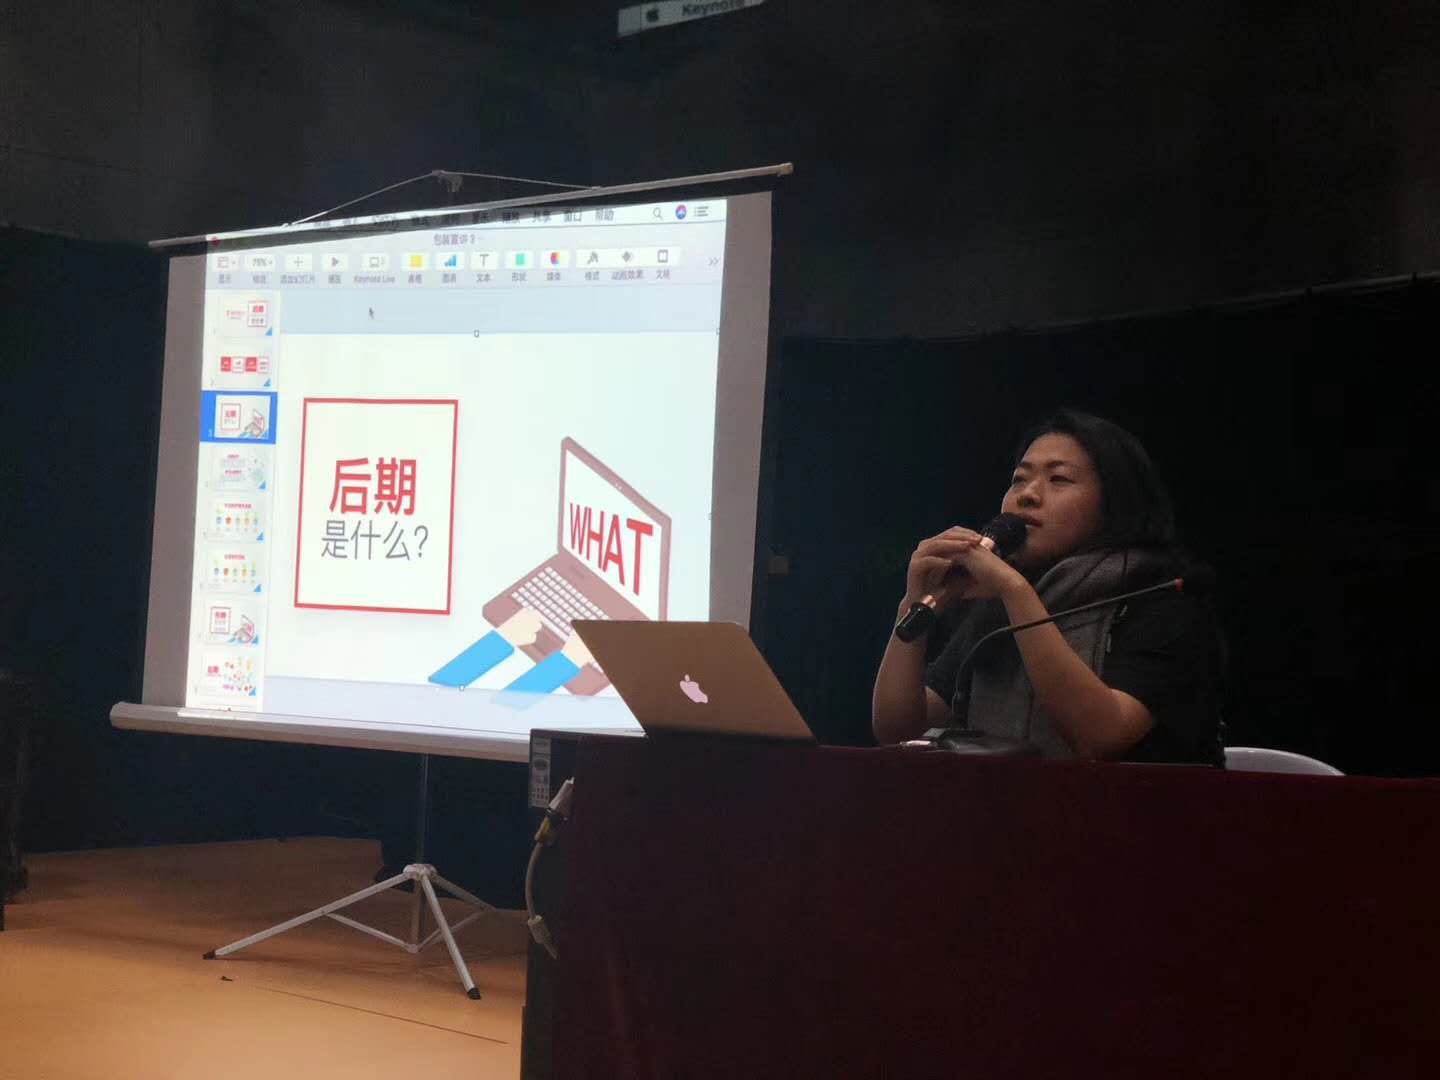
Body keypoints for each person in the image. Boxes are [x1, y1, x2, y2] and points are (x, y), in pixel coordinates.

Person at [872, 409, 1224, 765]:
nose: (1027, 495)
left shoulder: (1163, 601)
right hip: (998, 799)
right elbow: (898, 731)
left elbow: (1100, 737)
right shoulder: (995, 609)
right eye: (1018, 479)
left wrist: (1015, 590)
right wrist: (913, 603)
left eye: (1058, 479)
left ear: (1114, 502)